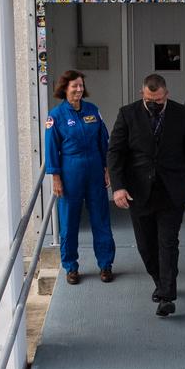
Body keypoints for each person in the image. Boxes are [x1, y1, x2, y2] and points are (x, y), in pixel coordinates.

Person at [107, 74, 185, 317]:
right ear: (143, 94)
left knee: (168, 244)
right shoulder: (127, 114)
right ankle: (160, 282)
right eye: (150, 99)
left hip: (171, 190)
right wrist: (118, 187)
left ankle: (166, 296)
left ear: (167, 95)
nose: (154, 104)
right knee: (146, 246)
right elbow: (115, 153)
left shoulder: (181, 114)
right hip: (138, 192)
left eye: (159, 100)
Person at [44, 69, 115, 285]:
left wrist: (106, 168)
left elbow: (104, 140)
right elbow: (50, 148)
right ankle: (71, 266)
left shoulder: (93, 110)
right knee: (69, 221)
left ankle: (105, 264)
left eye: (81, 86)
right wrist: (55, 177)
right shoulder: (55, 116)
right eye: (74, 86)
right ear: (65, 88)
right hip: (70, 171)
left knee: (101, 218)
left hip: (94, 168)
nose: (78, 89)